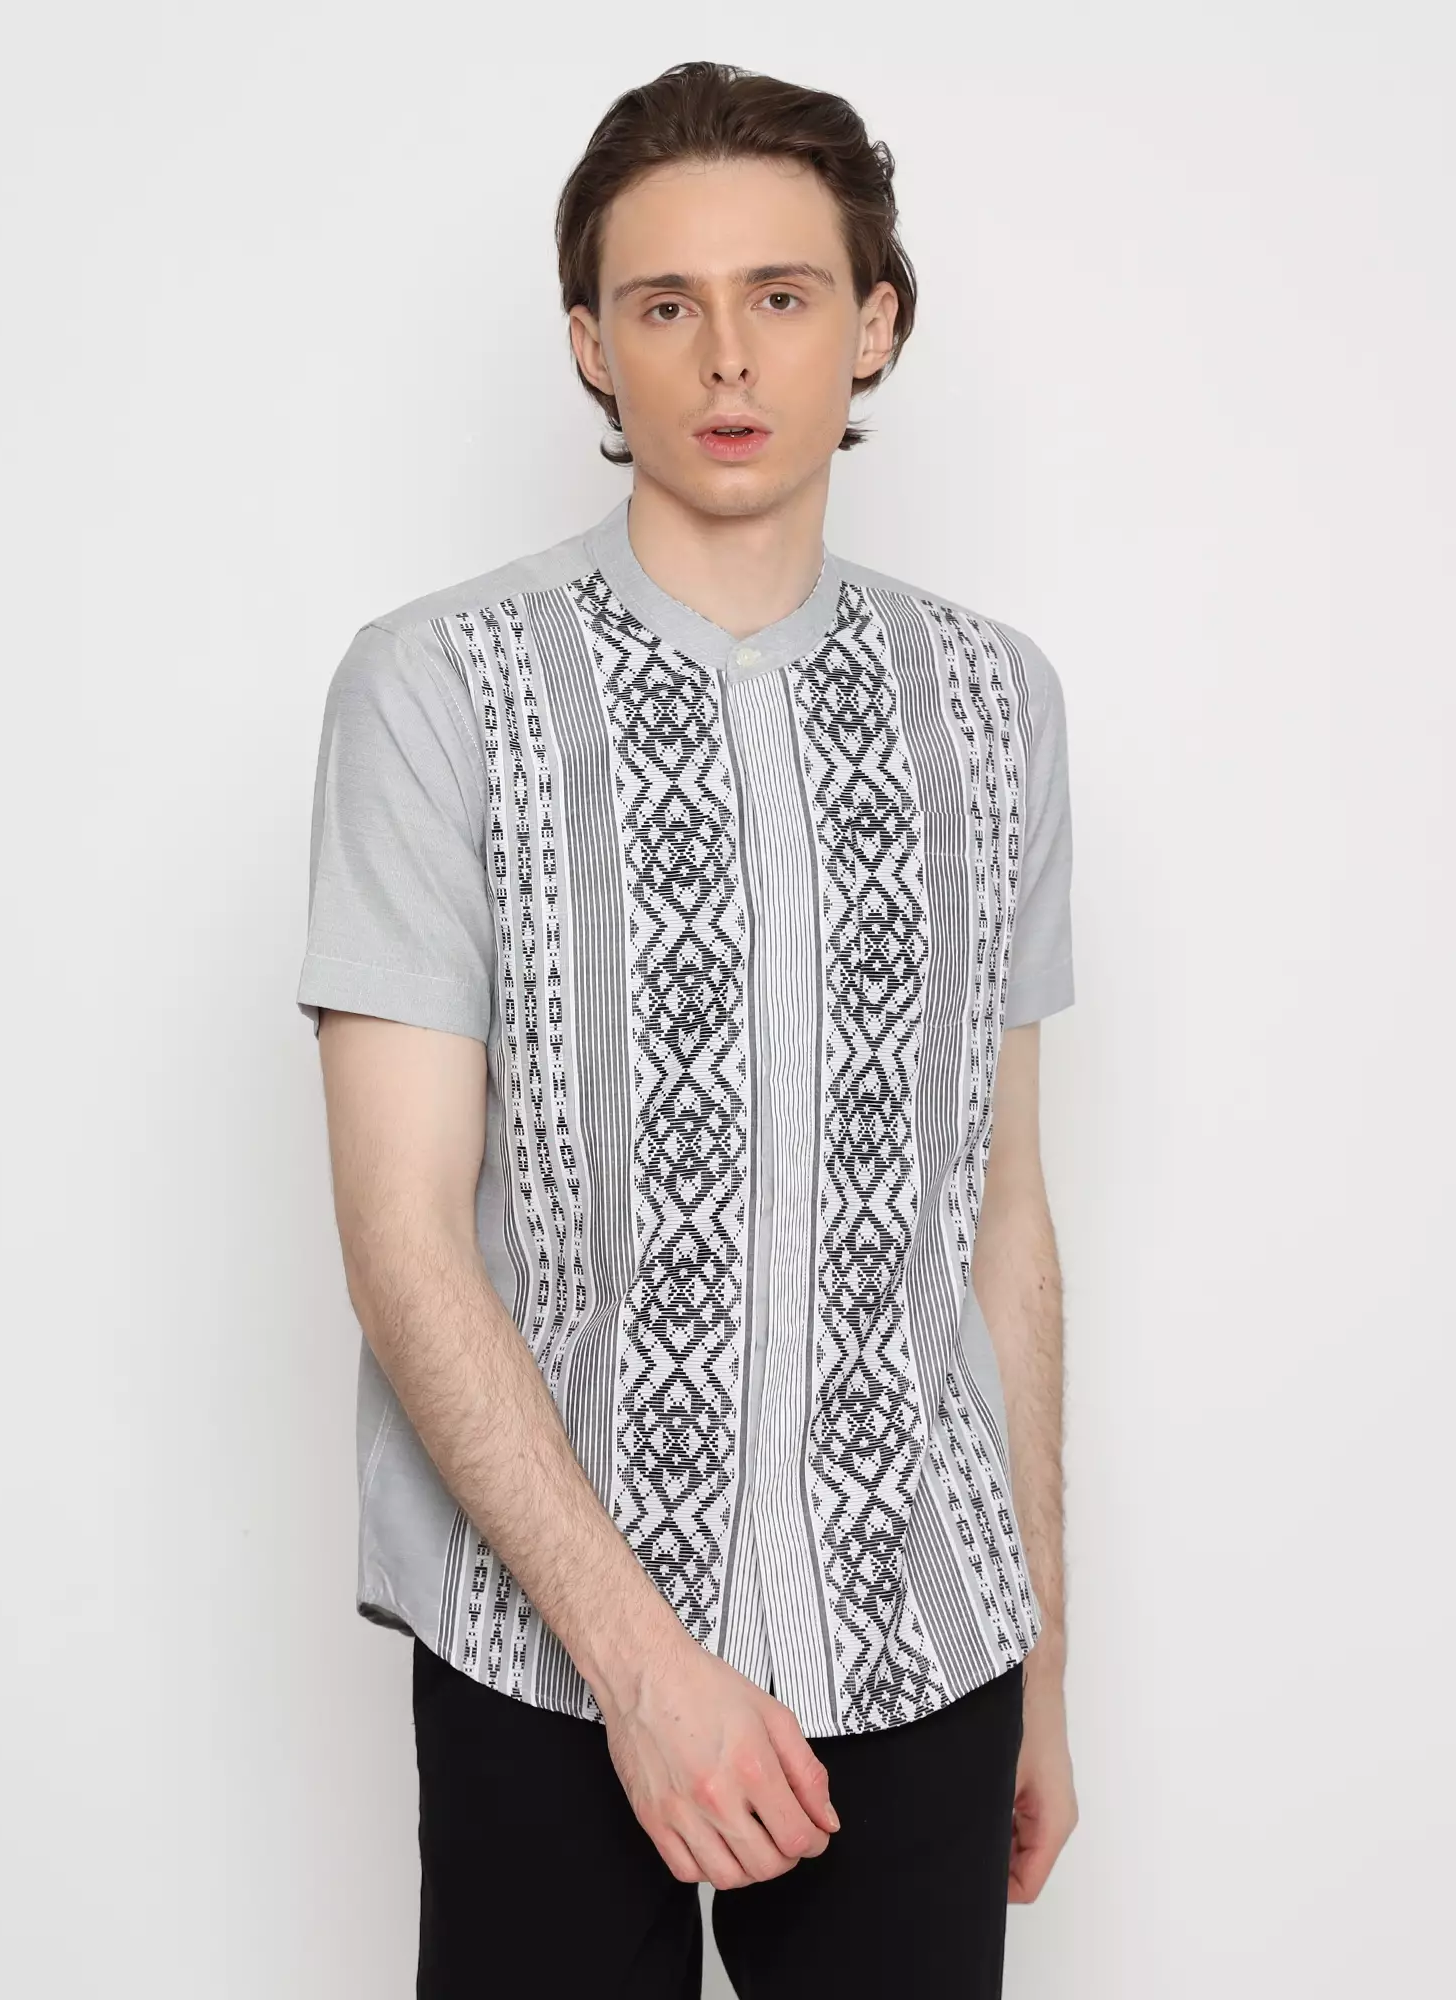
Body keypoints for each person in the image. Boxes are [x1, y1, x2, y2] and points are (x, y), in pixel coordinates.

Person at [296, 59, 1079, 1999]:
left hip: (921, 1640)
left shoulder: (995, 705)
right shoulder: (436, 690)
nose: (727, 357)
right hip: (546, 1651)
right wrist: (644, 1673)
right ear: (591, 344)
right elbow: (403, 1239)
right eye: (665, 304)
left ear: (873, 322)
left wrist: (1043, 1670)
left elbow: (1000, 1224)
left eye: (782, 295)